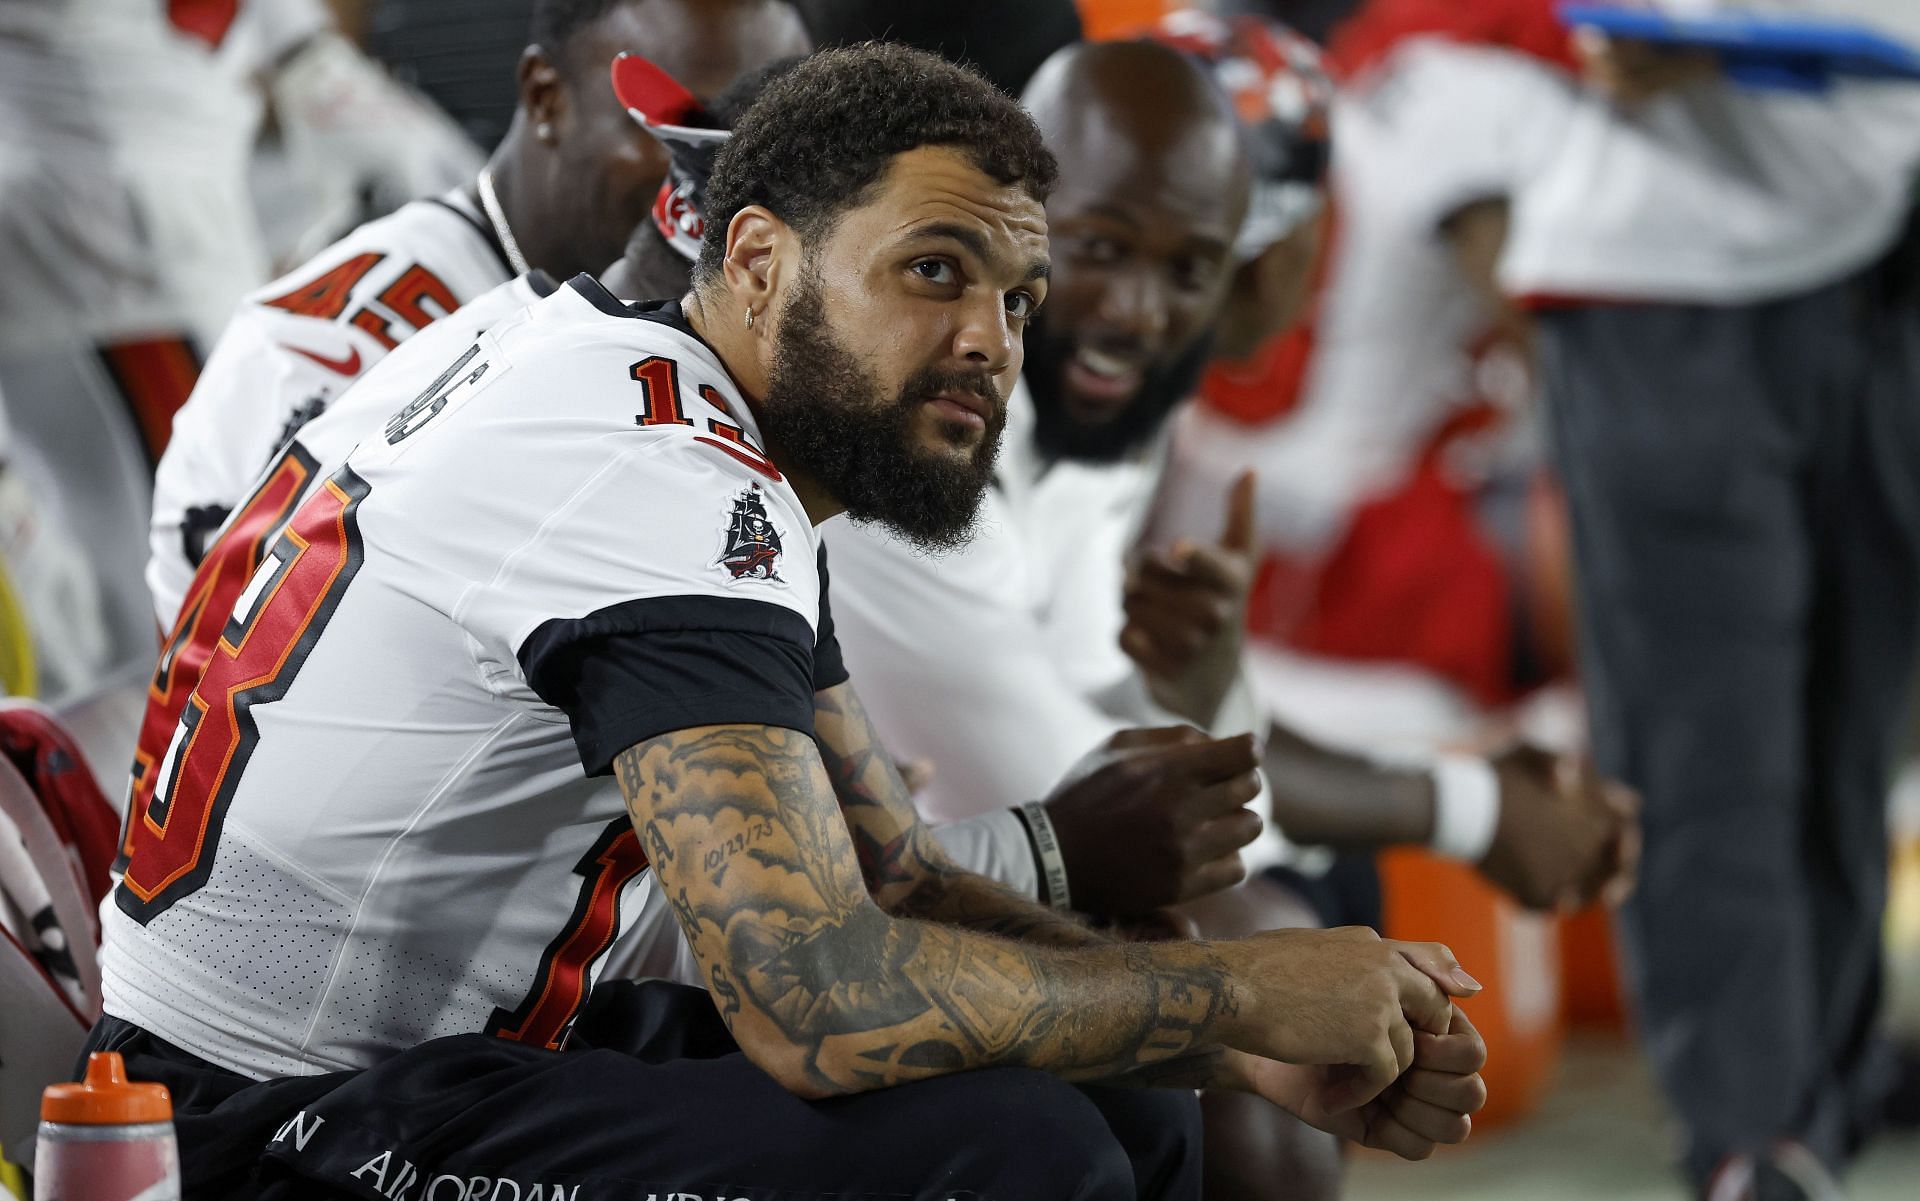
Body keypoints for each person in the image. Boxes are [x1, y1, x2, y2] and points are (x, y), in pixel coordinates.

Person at [90, 44, 1487, 1201]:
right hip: (258, 1121)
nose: (995, 342)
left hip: (410, 1059)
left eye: (1017, 296)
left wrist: (1233, 1048)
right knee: (1013, 1159)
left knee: (1105, 1090)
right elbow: (821, 999)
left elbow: (889, 881)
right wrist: (1243, 998)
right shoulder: (654, 474)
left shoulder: (634, 395)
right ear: (755, 258)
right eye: (933, 271)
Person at [821, 31, 1630, 1197]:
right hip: (769, 925)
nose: (1141, 308)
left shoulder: (1101, 401)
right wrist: (1473, 808)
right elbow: (1083, 781)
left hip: (955, 853)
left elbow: (1135, 734)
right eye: (1100, 246)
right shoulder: (924, 422)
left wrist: (1207, 698)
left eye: (1192, 261)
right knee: (1258, 989)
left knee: (1301, 938)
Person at [1500, 4, 1920, 1197]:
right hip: (1661, 271)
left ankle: (1815, 1099)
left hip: (1889, 244)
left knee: (1854, 732)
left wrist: (1760, 44)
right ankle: (1752, 1139)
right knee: (1709, 741)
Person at [148, 0, 813, 626]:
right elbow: (234, 669)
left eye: (772, 144)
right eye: (679, 124)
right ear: (548, 97)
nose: (730, 178)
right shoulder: (332, 352)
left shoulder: (736, 307)